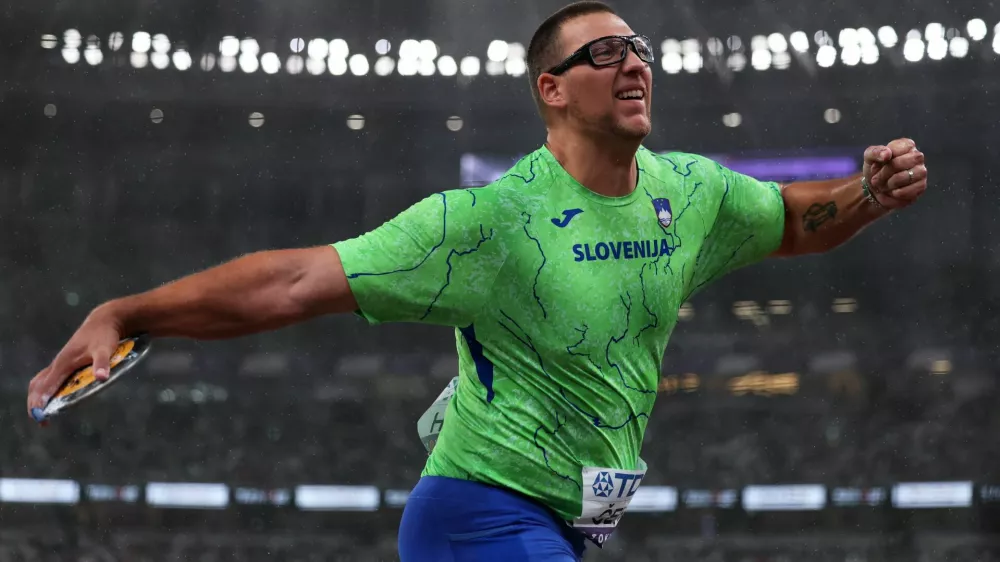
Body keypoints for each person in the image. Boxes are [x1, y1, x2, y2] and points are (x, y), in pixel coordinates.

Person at [27, 1, 928, 560]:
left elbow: (794, 221)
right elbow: (298, 280)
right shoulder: (487, 223)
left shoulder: (690, 192)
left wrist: (867, 193)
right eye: (605, 52)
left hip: (564, 526)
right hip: (480, 515)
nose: (635, 62)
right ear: (552, 89)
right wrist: (128, 311)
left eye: (641, 47)